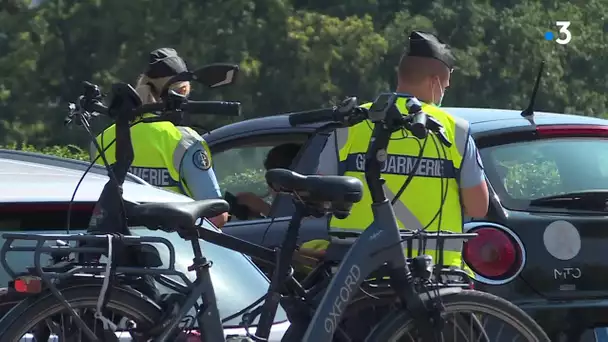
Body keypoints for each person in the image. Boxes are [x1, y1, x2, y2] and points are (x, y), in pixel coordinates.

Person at [310, 31, 489, 269]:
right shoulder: (455, 130)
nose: (443, 93)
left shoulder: (350, 124)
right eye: (444, 87)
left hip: (355, 270)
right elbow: (478, 206)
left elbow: (320, 197)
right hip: (432, 273)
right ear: (434, 81)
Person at [90, 47, 228, 228]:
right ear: (183, 92)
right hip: (171, 251)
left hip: (111, 247)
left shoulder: (103, 139)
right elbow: (217, 216)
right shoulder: (186, 142)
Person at [236, 143, 302, 217]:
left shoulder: (306, 201)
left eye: (270, 181)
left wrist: (261, 206)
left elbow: (287, 222)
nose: (269, 187)